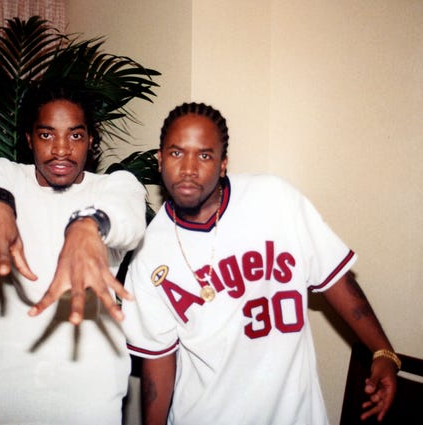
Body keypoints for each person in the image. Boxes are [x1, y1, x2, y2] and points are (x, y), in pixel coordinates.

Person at [121, 102, 399, 425]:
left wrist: (382, 350)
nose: (188, 169)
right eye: (176, 153)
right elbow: (159, 359)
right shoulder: (147, 251)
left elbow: (334, 276)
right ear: (159, 159)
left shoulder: (274, 200)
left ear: (223, 164)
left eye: (205, 155)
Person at [0, 83, 147, 425]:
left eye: (76, 136)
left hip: (87, 394)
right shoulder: (6, 175)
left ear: (91, 140)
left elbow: (127, 217)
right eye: (47, 135)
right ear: (28, 139)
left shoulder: (115, 187)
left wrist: (87, 226)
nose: (61, 150)